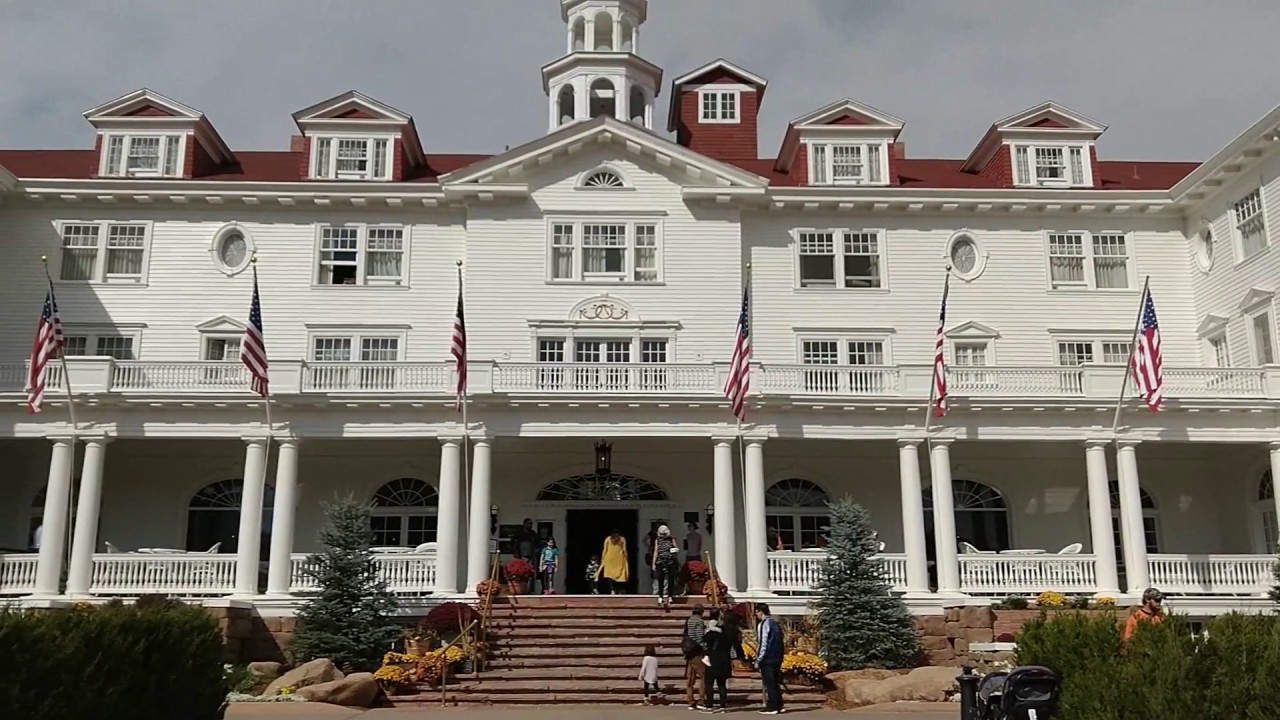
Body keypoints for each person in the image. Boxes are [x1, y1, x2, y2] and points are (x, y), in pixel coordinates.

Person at [702, 608, 739, 713]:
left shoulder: (713, 632)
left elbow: (704, 639)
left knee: (709, 683)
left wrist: (709, 629)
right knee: (722, 684)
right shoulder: (728, 631)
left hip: (713, 659)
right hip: (724, 659)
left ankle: (710, 705)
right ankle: (723, 705)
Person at [754, 603, 785, 715]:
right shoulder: (775, 623)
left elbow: (763, 642)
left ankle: (772, 706)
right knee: (775, 681)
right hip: (778, 656)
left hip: (768, 657)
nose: (756, 614)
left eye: (756, 612)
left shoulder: (764, 624)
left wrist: (758, 659)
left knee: (769, 682)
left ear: (760, 612)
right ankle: (779, 704)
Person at [682, 604, 708, 710]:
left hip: (688, 651)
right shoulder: (699, 621)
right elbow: (699, 637)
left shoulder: (689, 620)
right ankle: (701, 700)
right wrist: (705, 646)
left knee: (690, 678)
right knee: (703, 676)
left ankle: (690, 700)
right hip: (696, 651)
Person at [652, 524, 680, 606]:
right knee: (660, 579)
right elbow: (656, 551)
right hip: (660, 561)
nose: (662, 536)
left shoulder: (672, 539)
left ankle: (670, 596)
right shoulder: (657, 540)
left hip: (670, 561)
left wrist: (674, 550)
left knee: (671, 579)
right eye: (661, 534)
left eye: (664, 534)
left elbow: (676, 548)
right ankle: (660, 596)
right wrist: (653, 563)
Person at [595, 530, 630, 594]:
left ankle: (612, 590)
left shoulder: (608, 539)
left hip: (609, 559)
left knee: (609, 575)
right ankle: (619, 589)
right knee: (620, 575)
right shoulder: (622, 539)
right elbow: (624, 549)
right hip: (619, 559)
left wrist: (603, 559)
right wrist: (626, 558)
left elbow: (604, 549)